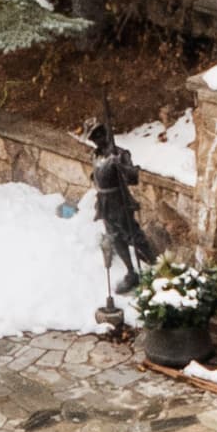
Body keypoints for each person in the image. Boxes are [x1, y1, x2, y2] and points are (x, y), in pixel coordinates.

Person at [85, 124, 153, 330]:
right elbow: (95, 175)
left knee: (134, 236)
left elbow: (133, 177)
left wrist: (120, 166)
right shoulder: (96, 155)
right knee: (115, 238)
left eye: (99, 136)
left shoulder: (121, 153)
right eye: (93, 138)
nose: (97, 141)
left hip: (119, 201)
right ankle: (131, 272)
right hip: (105, 202)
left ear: (107, 135)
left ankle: (155, 266)